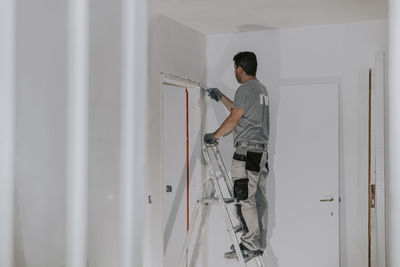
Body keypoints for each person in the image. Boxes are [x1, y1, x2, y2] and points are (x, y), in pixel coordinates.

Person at [204, 51, 269, 259]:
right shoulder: (260, 89)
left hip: (246, 153)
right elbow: (241, 112)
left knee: (244, 198)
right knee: (258, 199)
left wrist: (214, 136)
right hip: (260, 153)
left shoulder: (245, 89)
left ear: (240, 69)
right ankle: (257, 242)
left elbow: (234, 120)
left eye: (234, 69)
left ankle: (249, 243)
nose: (234, 72)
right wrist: (221, 97)